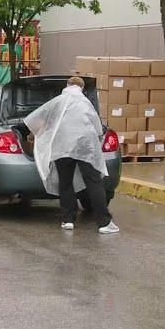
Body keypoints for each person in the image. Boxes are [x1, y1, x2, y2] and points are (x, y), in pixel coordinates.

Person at [24, 76, 119, 233]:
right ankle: (104, 223)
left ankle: (68, 219)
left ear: (67, 86)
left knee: (66, 182)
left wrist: (32, 135)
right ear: (81, 88)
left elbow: (41, 118)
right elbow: (97, 128)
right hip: (85, 147)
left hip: (62, 147)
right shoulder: (85, 103)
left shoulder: (58, 101)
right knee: (94, 183)